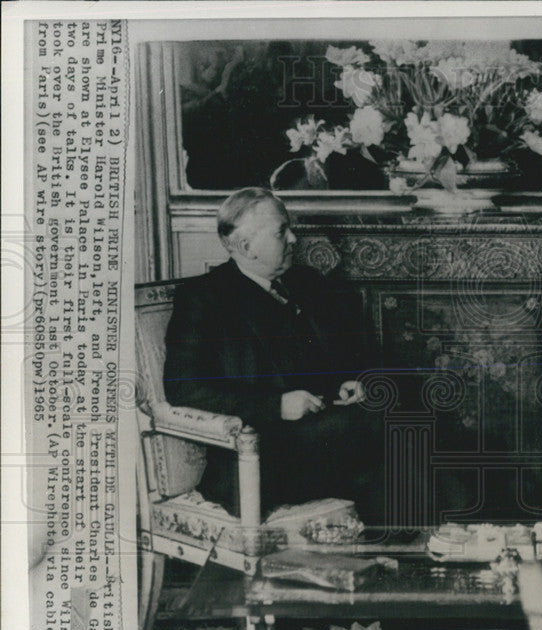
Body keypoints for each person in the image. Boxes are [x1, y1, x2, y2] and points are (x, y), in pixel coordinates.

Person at [163, 187, 385, 520]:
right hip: (264, 455)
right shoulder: (204, 298)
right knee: (391, 433)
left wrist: (351, 380)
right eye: (282, 231)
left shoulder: (307, 284)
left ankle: (435, 542)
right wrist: (276, 406)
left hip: (331, 439)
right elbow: (184, 387)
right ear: (245, 247)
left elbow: (353, 353)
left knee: (394, 429)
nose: (294, 238)